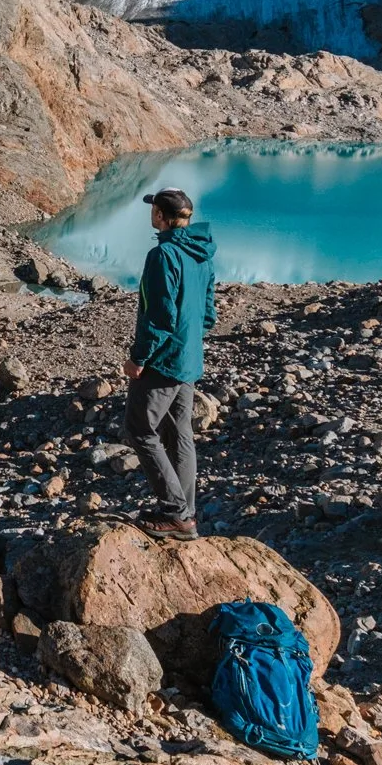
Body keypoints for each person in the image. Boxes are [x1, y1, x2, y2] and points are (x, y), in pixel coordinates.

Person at [125, 186, 215, 540]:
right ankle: (185, 513)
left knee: (139, 429)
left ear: (160, 216)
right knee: (179, 435)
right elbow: (208, 314)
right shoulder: (201, 253)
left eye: (154, 209)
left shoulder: (162, 255)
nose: (151, 213)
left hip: (164, 361)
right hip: (188, 359)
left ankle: (176, 513)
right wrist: (187, 340)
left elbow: (159, 316)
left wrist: (139, 358)